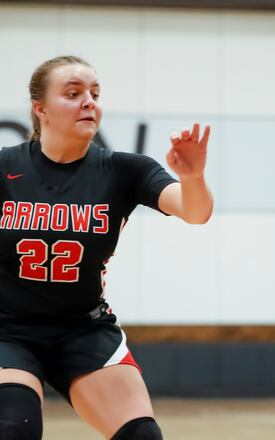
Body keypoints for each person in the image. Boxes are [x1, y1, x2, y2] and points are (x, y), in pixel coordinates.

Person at [0, 56, 212, 439]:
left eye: (95, 94)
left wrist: (193, 177)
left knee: (142, 436)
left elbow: (195, 212)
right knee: (15, 428)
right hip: (7, 329)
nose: (89, 102)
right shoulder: (5, 168)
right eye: (73, 93)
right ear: (40, 109)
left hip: (82, 328)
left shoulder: (124, 169)